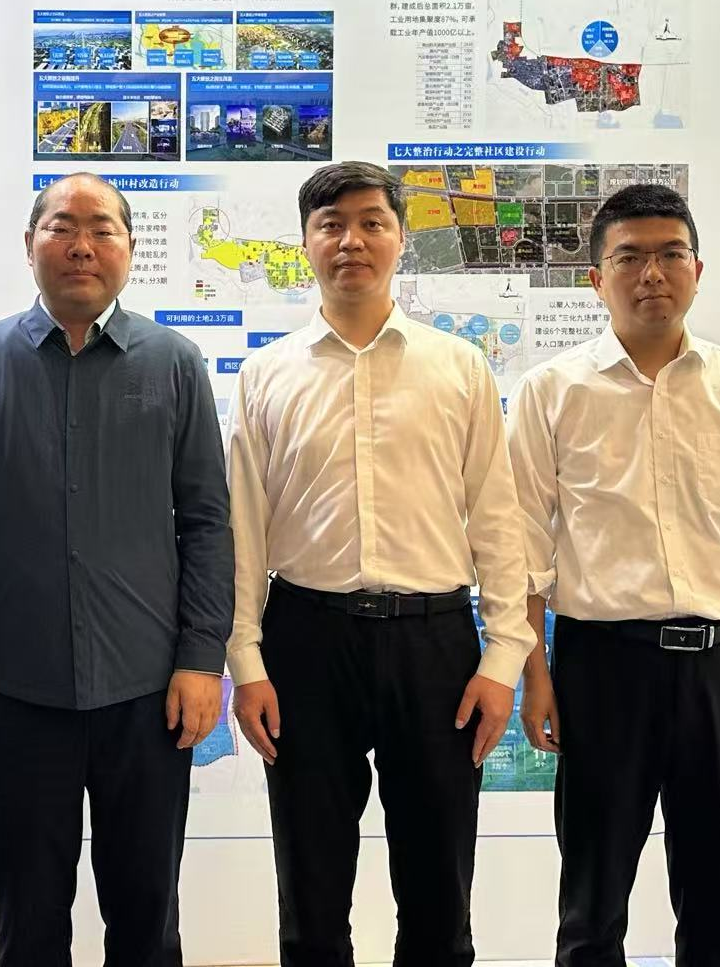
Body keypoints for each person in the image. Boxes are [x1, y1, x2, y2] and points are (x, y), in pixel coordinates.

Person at [227, 161, 537, 967]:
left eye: (371, 222)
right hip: (305, 640)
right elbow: (243, 530)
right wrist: (246, 661)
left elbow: (497, 521)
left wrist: (503, 657)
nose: (351, 241)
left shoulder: (458, 366)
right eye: (330, 224)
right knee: (310, 893)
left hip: (433, 644)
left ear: (401, 238)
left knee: (437, 894)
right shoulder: (266, 372)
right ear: (304, 243)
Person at [0, 172, 233, 967]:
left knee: (146, 916)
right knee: (28, 917)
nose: (81, 246)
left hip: (147, 688)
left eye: (102, 228)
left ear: (129, 247)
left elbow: (206, 521)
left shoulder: (173, 362)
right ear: (30, 243)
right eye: (62, 226)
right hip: (20, 687)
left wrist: (202, 658)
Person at [508, 183, 720, 967]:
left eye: (670, 254)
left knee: (717, 899)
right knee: (592, 897)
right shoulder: (551, 391)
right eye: (629, 257)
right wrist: (534, 676)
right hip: (601, 665)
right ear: (596, 278)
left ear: (696, 270)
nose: (652, 273)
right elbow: (519, 547)